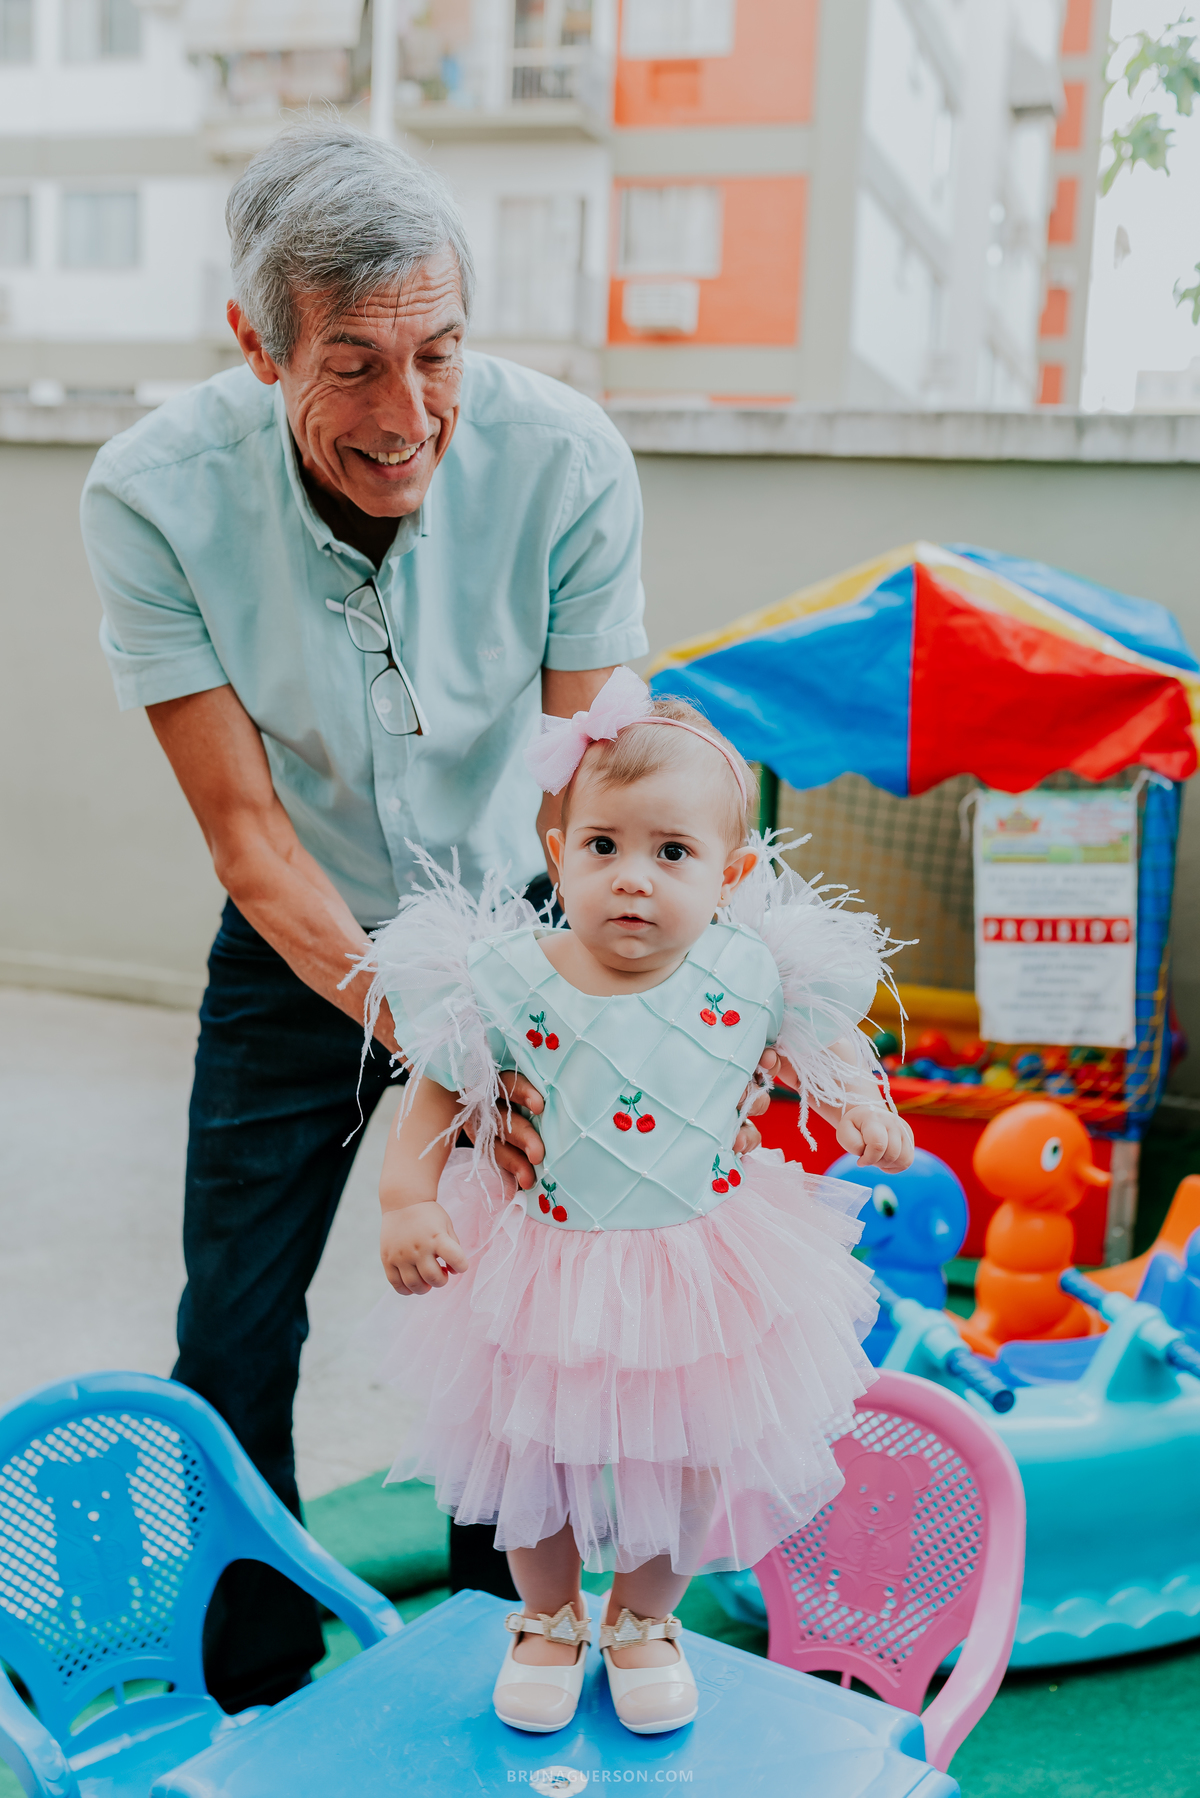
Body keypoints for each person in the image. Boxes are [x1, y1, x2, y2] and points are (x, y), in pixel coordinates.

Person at [79, 121, 658, 1710]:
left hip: (521, 915)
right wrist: (433, 1035)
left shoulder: (567, 459)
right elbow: (248, 836)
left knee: (516, 1306)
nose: (408, 417)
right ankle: (254, 1684)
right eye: (351, 366)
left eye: (437, 351)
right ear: (256, 342)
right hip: (303, 930)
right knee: (233, 1320)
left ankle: (500, 1649)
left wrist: (561, 1008)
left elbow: (587, 795)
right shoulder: (151, 496)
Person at [359, 668, 915, 1737]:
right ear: (558, 851)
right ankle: (547, 1618)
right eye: (604, 845)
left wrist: (858, 1104)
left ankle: (646, 1621)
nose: (632, 879)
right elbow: (438, 1083)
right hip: (545, 1258)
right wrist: (404, 1200)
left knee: (686, 1454)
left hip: (699, 1265)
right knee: (535, 1452)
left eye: (672, 854)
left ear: (731, 873)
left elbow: (828, 1040)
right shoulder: (508, 974)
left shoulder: (752, 969)